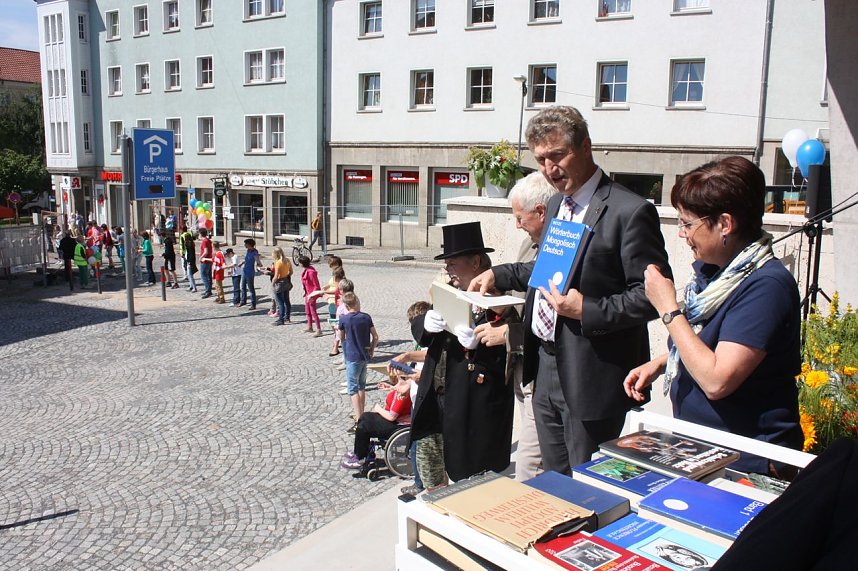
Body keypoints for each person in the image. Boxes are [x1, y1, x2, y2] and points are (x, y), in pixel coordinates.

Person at [470, 106, 670, 475]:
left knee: (588, 483)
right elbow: (551, 270)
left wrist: (586, 309)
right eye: (541, 159)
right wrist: (499, 274)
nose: (549, 168)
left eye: (557, 155)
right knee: (555, 481)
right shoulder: (559, 204)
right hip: (544, 363)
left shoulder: (630, 211)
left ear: (586, 147)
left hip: (590, 373)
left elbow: (651, 295)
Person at [623, 156, 803, 475]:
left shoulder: (766, 287)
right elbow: (715, 341)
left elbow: (717, 380)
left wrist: (667, 308)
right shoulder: (722, 275)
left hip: (747, 462)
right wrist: (662, 362)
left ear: (725, 224)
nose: (682, 234)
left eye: (688, 223)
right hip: (706, 449)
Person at [412, 221, 517, 482]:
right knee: (431, 479)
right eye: (446, 265)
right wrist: (424, 322)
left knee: (470, 482)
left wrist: (480, 348)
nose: (448, 270)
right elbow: (423, 331)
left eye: (452, 263)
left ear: (476, 262)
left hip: (472, 415)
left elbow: (513, 361)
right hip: (434, 406)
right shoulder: (451, 293)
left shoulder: (504, 303)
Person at [474, 172, 556, 481]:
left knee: (529, 467)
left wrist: (510, 334)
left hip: (542, 366)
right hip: (521, 364)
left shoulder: (562, 249)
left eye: (520, 218)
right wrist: (496, 299)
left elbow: (558, 323)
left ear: (541, 211)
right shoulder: (527, 245)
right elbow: (522, 301)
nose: (517, 225)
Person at [341, 375, 412, 473]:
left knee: (364, 428)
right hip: (394, 420)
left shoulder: (402, 396)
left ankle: (360, 457)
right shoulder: (403, 389)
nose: (396, 384)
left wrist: (378, 409)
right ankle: (359, 451)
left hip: (395, 424)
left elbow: (392, 416)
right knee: (364, 416)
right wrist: (390, 388)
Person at [338, 292, 379, 428]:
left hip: (352, 356)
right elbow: (376, 337)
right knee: (362, 386)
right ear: (356, 302)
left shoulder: (344, 319)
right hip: (364, 356)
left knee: (352, 388)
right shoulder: (366, 317)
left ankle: (358, 418)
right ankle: (361, 413)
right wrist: (372, 350)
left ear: (345, 305)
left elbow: (341, 337)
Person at [299, 255, 323, 335]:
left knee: (313, 312)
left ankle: (319, 330)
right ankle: (310, 327)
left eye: (299, 263)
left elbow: (316, 285)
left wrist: (312, 296)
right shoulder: (306, 270)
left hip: (312, 295)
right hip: (307, 294)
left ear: (302, 263)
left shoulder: (311, 272)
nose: (299, 264)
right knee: (307, 311)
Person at [270, 247, 293, 324]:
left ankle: (281, 319)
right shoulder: (287, 260)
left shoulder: (278, 263)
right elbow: (291, 272)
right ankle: (287, 317)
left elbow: (276, 276)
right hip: (286, 281)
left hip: (279, 283)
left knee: (280, 302)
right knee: (287, 301)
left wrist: (272, 283)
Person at [238, 238, 263, 309]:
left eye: (245, 244)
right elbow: (247, 259)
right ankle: (243, 301)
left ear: (249, 244)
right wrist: (242, 263)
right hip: (244, 271)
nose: (244, 245)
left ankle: (253, 304)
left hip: (250, 272)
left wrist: (259, 265)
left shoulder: (255, 252)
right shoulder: (248, 251)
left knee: (251, 288)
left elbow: (257, 261)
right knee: (242, 287)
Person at [181, 228, 198, 293]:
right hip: (189, 261)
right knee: (189, 275)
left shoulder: (190, 245)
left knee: (190, 275)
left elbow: (191, 255)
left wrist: (189, 262)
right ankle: (191, 286)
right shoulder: (189, 244)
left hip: (190, 262)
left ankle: (194, 287)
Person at [198, 228, 213, 299]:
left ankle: (208, 291)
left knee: (204, 276)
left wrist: (200, 257)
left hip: (205, 261)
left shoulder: (204, 241)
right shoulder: (208, 240)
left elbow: (206, 251)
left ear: (201, 234)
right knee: (209, 276)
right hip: (209, 260)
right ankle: (209, 290)